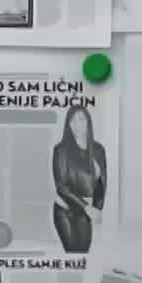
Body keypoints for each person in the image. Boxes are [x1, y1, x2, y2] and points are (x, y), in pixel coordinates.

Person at [51, 106, 106, 253]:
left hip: (85, 212)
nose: (76, 124)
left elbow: (101, 183)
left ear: (88, 122)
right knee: (73, 254)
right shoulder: (61, 150)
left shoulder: (98, 150)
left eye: (81, 119)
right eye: (72, 121)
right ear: (68, 125)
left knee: (83, 253)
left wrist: (98, 209)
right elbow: (61, 187)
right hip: (65, 210)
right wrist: (87, 207)